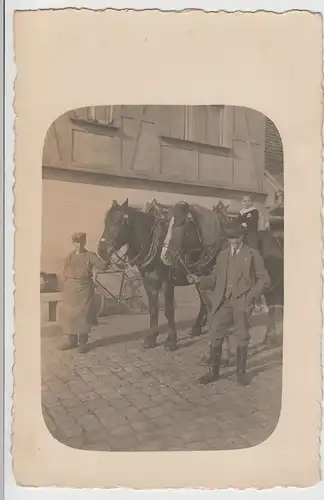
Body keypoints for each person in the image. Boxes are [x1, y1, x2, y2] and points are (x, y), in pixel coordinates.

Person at [187, 219, 271, 386]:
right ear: (227, 238)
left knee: (242, 335)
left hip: (242, 302)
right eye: (231, 238)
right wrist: (199, 280)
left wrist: (250, 297)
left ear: (242, 236)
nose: (234, 241)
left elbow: (265, 279)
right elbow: (214, 279)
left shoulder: (253, 255)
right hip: (223, 302)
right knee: (216, 332)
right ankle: (214, 372)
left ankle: (241, 373)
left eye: (237, 237)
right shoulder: (223, 254)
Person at [58, 232, 108, 353]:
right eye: (76, 242)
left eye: (81, 242)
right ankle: (71, 341)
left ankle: (83, 343)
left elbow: (102, 265)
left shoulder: (90, 255)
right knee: (69, 315)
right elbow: (64, 271)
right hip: (71, 290)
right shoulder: (70, 256)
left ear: (84, 242)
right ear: (73, 243)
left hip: (84, 290)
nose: (78, 244)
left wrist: (105, 255)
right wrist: (65, 285)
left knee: (84, 316)